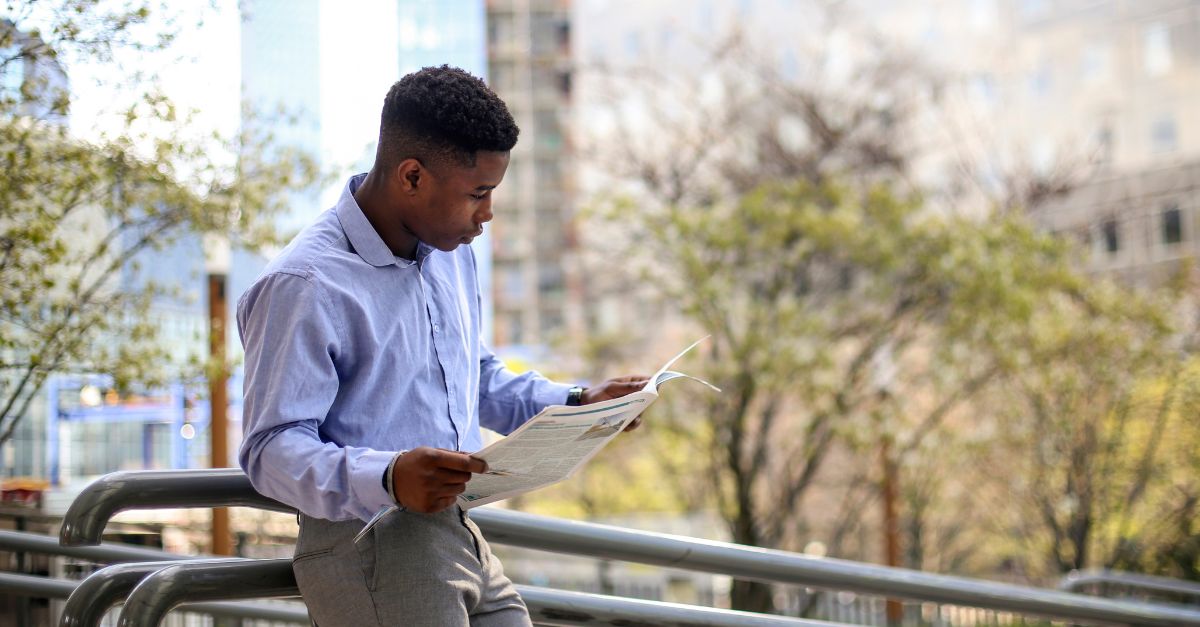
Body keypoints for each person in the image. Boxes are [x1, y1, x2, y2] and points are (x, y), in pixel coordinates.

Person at [237, 65, 646, 626]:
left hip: (459, 531)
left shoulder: (450, 253)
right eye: (477, 193)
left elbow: (473, 376)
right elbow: (270, 449)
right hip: (373, 547)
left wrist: (577, 403)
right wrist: (387, 476)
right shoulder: (304, 284)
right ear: (411, 177)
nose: (488, 214)